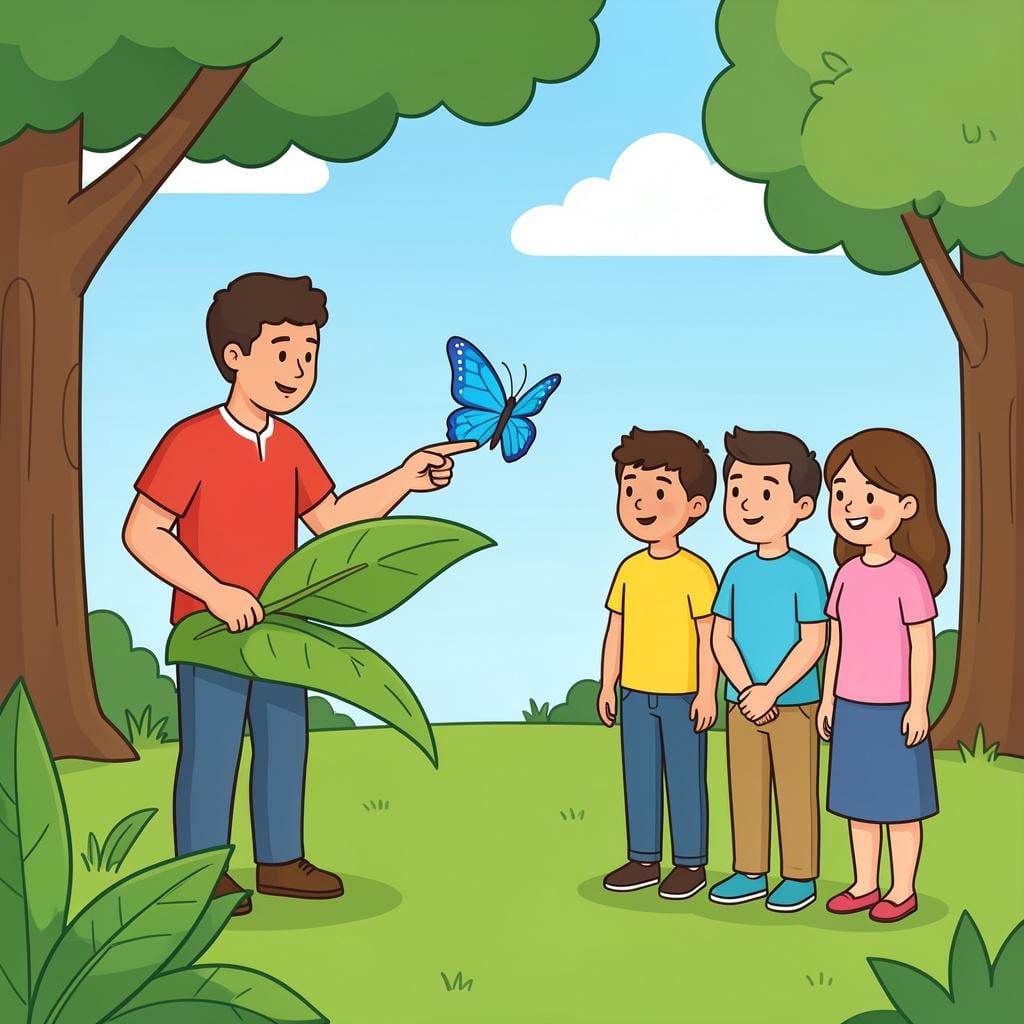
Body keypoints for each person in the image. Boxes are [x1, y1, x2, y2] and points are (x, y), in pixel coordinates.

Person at [123, 272, 475, 916]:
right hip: (214, 634)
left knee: (286, 741)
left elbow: (332, 520)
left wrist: (403, 478)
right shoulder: (191, 439)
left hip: (283, 630)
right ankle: (201, 873)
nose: (298, 369)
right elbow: (143, 531)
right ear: (235, 356)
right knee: (213, 753)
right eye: (282, 352)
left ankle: (281, 860)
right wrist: (213, 591)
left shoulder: (288, 444)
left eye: (309, 355)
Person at [818, 428, 948, 924]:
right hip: (851, 704)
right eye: (842, 493)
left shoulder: (908, 578)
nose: (852, 505)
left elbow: (922, 645)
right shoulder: (846, 576)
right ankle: (864, 882)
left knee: (901, 807)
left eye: (868, 495)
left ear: (906, 506)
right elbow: (836, 641)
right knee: (858, 803)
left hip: (895, 708)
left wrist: (919, 704)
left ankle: (902, 888)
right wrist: (829, 699)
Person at [708, 427, 828, 913]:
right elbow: (721, 634)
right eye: (736, 489)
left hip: (795, 703)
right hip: (742, 703)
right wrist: (744, 687)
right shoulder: (736, 571)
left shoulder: (806, 572)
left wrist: (771, 690)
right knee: (747, 786)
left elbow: (813, 640)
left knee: (796, 789)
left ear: (801, 507)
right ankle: (749, 870)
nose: (746, 502)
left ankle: (799, 875)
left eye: (764, 491)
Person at [598, 427, 719, 900]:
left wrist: (708, 692)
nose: (640, 502)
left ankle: (690, 864)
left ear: (694, 507)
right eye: (630, 490)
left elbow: (709, 636)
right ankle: (643, 858)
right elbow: (616, 630)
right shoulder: (629, 569)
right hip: (635, 693)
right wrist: (609, 685)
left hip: (683, 695)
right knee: (640, 777)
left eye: (658, 491)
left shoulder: (697, 572)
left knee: (686, 779)